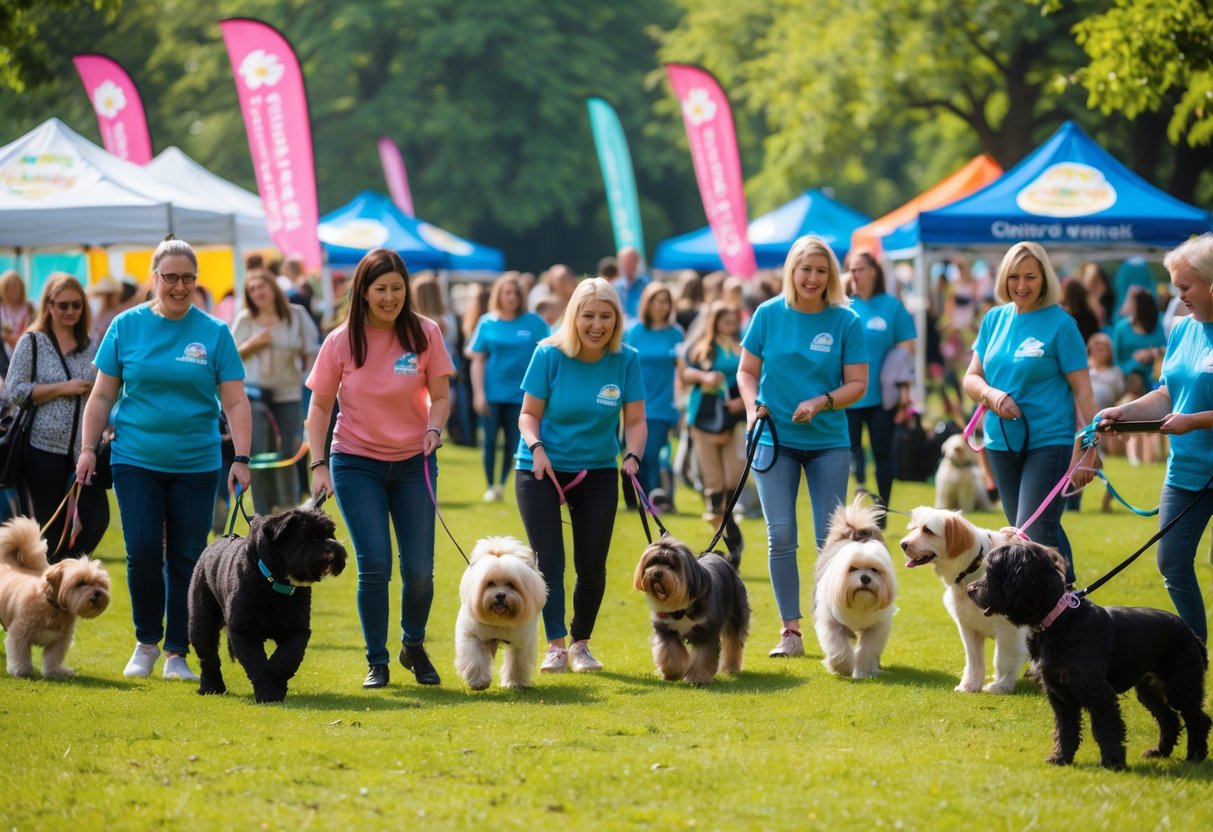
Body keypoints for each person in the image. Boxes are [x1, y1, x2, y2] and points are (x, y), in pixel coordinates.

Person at [75, 236, 252, 682]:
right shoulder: (126, 326)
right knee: (142, 551)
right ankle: (146, 642)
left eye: (187, 278)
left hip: (197, 461)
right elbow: (101, 396)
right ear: (155, 278)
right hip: (136, 458)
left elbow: (235, 402)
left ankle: (178, 652)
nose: (179, 286)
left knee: (188, 557)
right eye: (170, 277)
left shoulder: (214, 332)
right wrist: (87, 449)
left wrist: (242, 457)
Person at [305, 248, 454, 690]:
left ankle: (413, 644)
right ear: (363, 292)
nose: (390, 297)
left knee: (420, 572)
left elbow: (441, 396)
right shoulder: (340, 341)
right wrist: (318, 464)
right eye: (380, 289)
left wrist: (434, 428)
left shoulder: (426, 333)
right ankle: (378, 660)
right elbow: (319, 405)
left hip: (414, 463)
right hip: (355, 463)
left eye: (396, 288)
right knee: (375, 564)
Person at [737, 235, 868, 659]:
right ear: (791, 272)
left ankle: (831, 620)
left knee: (829, 539)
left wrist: (822, 401)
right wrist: (752, 406)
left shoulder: (846, 320)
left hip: (828, 440)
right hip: (774, 439)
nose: (812, 278)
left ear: (831, 275)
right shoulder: (768, 314)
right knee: (781, 535)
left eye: (821, 270)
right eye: (804, 269)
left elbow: (858, 384)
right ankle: (790, 631)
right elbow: (745, 371)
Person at [515, 277, 645, 673]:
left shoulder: (626, 358)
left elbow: (636, 420)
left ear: (616, 319)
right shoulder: (548, 354)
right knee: (549, 558)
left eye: (606, 316)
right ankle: (554, 644)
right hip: (541, 467)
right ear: (574, 316)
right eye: (589, 315)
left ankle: (580, 643)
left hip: (599, 469)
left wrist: (633, 454)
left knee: (592, 563)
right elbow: (528, 415)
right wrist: (537, 449)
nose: (597, 325)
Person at [1098, 233, 1213, 641]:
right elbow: (1167, 393)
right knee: (1172, 562)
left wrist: (1196, 421)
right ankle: (1194, 657)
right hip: (1185, 468)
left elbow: (1185, 410)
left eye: (1185, 287)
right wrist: (1125, 412)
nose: (1177, 296)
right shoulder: (1181, 329)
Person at [962, 241, 1099, 585]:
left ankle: (1062, 606)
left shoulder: (1062, 325)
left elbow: (1083, 389)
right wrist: (993, 397)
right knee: (1027, 529)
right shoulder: (994, 319)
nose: (1021, 285)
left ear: (1044, 279)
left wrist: (1092, 444)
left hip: (1048, 441)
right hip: (1000, 441)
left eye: (1030, 277)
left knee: (1033, 530)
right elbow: (971, 377)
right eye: (1014, 277)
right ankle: (1070, 599)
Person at [5, 274, 109, 559]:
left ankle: (64, 570)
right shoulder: (33, 341)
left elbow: (105, 388)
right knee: (47, 529)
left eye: (76, 305)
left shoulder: (92, 343)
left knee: (96, 518)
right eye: (63, 305)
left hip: (83, 449)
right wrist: (65, 388)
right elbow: (15, 390)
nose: (70, 312)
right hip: (42, 449)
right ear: (49, 305)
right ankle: (48, 587)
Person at [232, 268, 320, 515]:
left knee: (289, 452)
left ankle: (289, 510)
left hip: (289, 393)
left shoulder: (296, 315)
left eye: (262, 286)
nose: (258, 292)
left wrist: (308, 377)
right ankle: (263, 513)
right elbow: (230, 355)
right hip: (255, 395)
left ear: (273, 288)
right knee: (259, 454)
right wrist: (252, 345)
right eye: (252, 289)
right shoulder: (246, 318)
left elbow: (312, 349)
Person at [844, 251, 916, 519]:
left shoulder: (891, 306)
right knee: (852, 453)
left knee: (883, 452)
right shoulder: (844, 305)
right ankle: (859, 498)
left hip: (881, 396)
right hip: (848, 395)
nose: (855, 275)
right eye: (851, 270)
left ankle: (883, 509)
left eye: (859, 269)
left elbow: (907, 349)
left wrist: (905, 392)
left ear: (873, 271)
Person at [469, 273, 548, 502]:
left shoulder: (533, 322)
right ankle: (489, 484)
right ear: (498, 295)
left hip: (522, 396)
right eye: (507, 292)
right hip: (492, 392)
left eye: (515, 292)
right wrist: (479, 394)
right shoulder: (487, 321)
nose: (511, 297)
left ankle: (503, 484)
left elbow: (550, 348)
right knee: (490, 441)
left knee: (514, 442)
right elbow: (478, 358)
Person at [682, 299, 745, 545]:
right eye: (725, 321)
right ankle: (722, 528)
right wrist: (704, 376)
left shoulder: (742, 346)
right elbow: (686, 373)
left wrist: (743, 402)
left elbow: (754, 375)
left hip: (734, 417)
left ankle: (726, 523)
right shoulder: (702, 348)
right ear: (714, 322)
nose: (730, 326)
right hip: (704, 414)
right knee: (713, 477)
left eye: (733, 321)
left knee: (733, 475)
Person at [623, 282, 684, 502]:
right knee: (631, 454)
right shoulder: (634, 331)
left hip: (662, 403)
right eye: (658, 301)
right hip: (633, 401)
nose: (663, 306)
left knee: (650, 455)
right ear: (647, 304)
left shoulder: (675, 333)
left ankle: (652, 500)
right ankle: (637, 500)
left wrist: (681, 406)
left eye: (666, 301)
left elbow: (683, 370)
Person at [1112, 289, 1167, 388]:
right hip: (1127, 378)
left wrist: (1152, 353)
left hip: (1153, 380)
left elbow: (1166, 349)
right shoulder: (1122, 327)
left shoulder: (1157, 326)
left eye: (1132, 303)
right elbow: (1115, 357)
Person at [0, 269, 36, 360]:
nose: (13, 288)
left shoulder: (31, 308)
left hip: (26, 355)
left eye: (16, 285)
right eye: (9, 285)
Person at [612, 246, 649, 323]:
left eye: (631, 261)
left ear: (637, 262)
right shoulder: (614, 287)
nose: (628, 264)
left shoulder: (647, 285)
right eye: (625, 261)